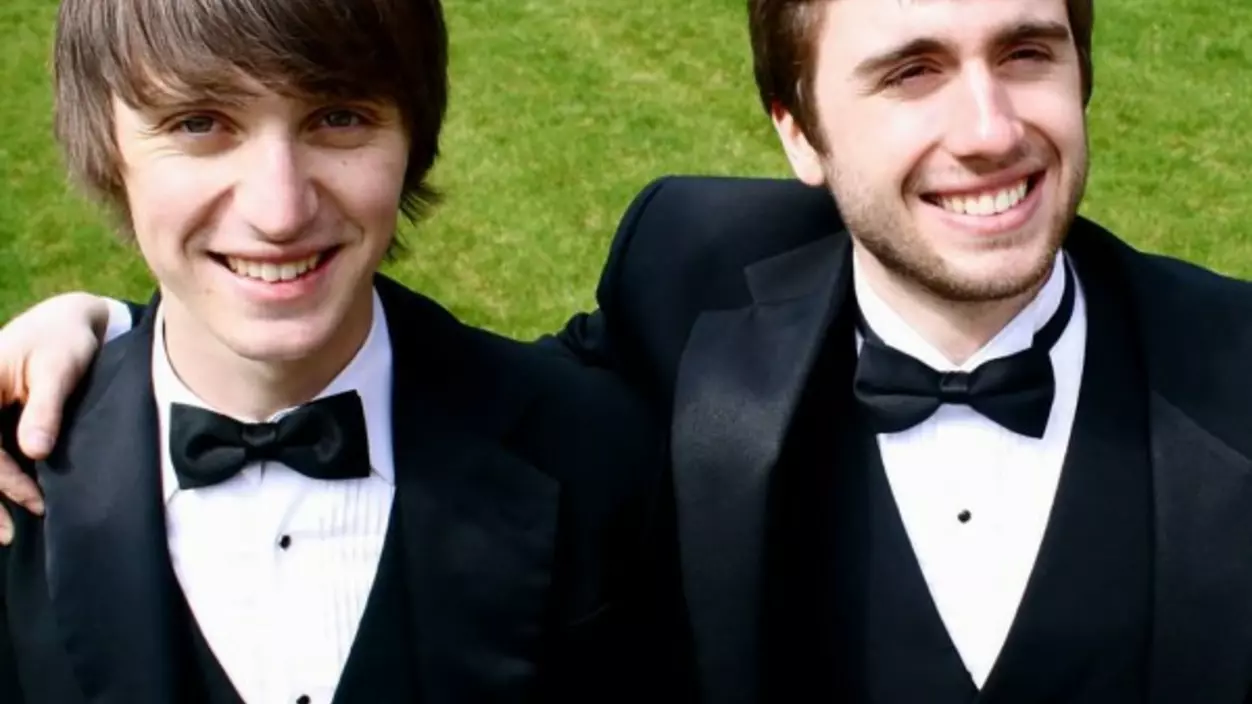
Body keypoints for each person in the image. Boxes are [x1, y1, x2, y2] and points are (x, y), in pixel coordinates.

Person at [4, 0, 1252, 702]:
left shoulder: (1235, 374)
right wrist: (100, 335)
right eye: (910, 71)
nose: (987, 127)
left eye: (1026, 52)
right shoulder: (685, 300)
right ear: (797, 132)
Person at [0, 0, 661, 702]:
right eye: (199, 124)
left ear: (413, 132)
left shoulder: (596, 454)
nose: (278, 211)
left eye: (338, 116)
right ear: (107, 146)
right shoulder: (18, 477)